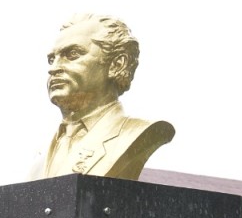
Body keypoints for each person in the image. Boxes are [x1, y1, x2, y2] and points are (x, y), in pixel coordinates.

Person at [38, 13, 175, 180]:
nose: (53, 68)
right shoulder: (40, 159)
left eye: (72, 54)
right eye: (52, 59)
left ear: (117, 64)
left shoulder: (136, 134)